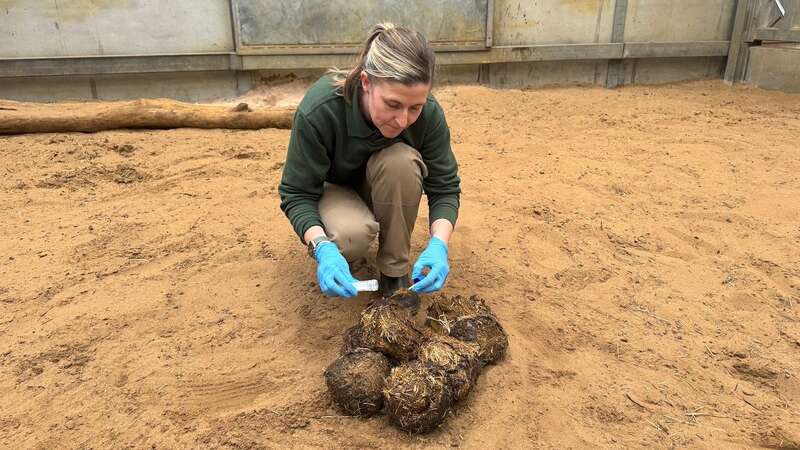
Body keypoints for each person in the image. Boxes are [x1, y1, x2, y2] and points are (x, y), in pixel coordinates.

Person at [278, 23, 460, 305]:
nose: (403, 120)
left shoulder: (429, 114)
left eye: (415, 107)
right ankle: (338, 253)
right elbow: (297, 193)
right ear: (366, 82)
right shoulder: (320, 108)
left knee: (401, 161)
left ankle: (394, 273)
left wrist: (439, 244)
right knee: (352, 236)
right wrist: (321, 246)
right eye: (392, 104)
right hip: (333, 190)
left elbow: (445, 187)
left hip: (386, 185)